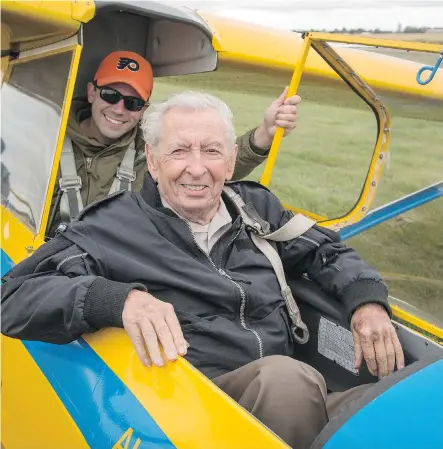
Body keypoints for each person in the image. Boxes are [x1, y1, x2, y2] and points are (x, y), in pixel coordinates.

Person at [1, 92, 404, 449]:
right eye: (179, 152)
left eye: (211, 151)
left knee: (398, 409)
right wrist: (119, 299)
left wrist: (367, 302)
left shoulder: (256, 209)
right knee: (288, 383)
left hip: (292, 400)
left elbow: (326, 251)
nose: (197, 168)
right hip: (193, 408)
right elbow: (13, 297)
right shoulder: (111, 227)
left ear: (230, 161)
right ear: (153, 163)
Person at [46, 50, 301, 237]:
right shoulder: (48, 138)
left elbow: (207, 165)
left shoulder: (153, 150)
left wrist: (266, 133)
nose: (119, 108)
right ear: (92, 92)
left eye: (133, 102)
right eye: (110, 95)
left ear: (143, 109)